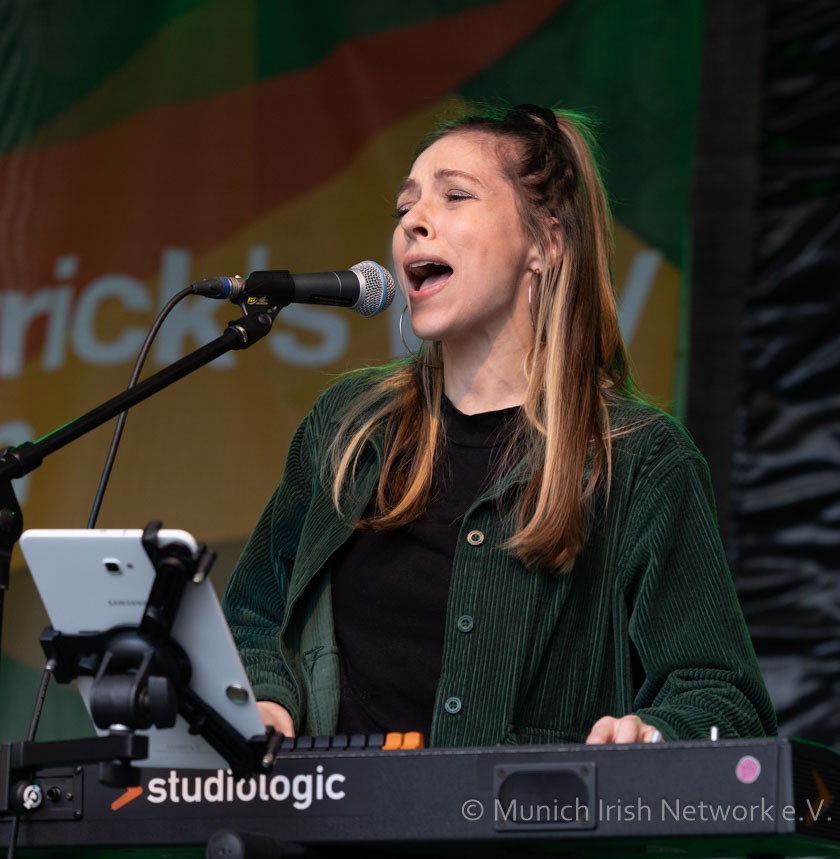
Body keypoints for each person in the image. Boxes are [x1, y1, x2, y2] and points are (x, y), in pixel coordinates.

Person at [222, 102, 777, 747]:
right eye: (405, 207)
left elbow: (722, 694)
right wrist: (265, 697)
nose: (413, 222)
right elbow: (252, 616)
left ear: (546, 242)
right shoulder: (349, 426)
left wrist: (653, 733)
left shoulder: (639, 459)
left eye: (455, 195)